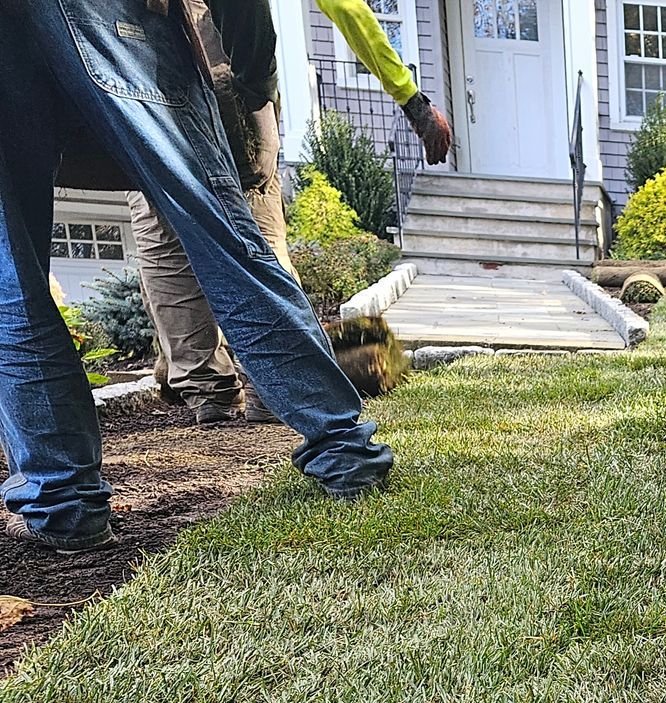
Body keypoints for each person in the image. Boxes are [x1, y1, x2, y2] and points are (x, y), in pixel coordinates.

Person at [1, 0, 396, 554]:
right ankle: (344, 450)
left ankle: (64, 503)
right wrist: (252, 83)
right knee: (224, 237)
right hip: (114, 20)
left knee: (12, 285)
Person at [132, 0, 453, 425]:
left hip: (134, 82)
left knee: (164, 236)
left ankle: (207, 391)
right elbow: (344, 7)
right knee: (257, 232)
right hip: (224, 77)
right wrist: (413, 102)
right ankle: (278, 384)